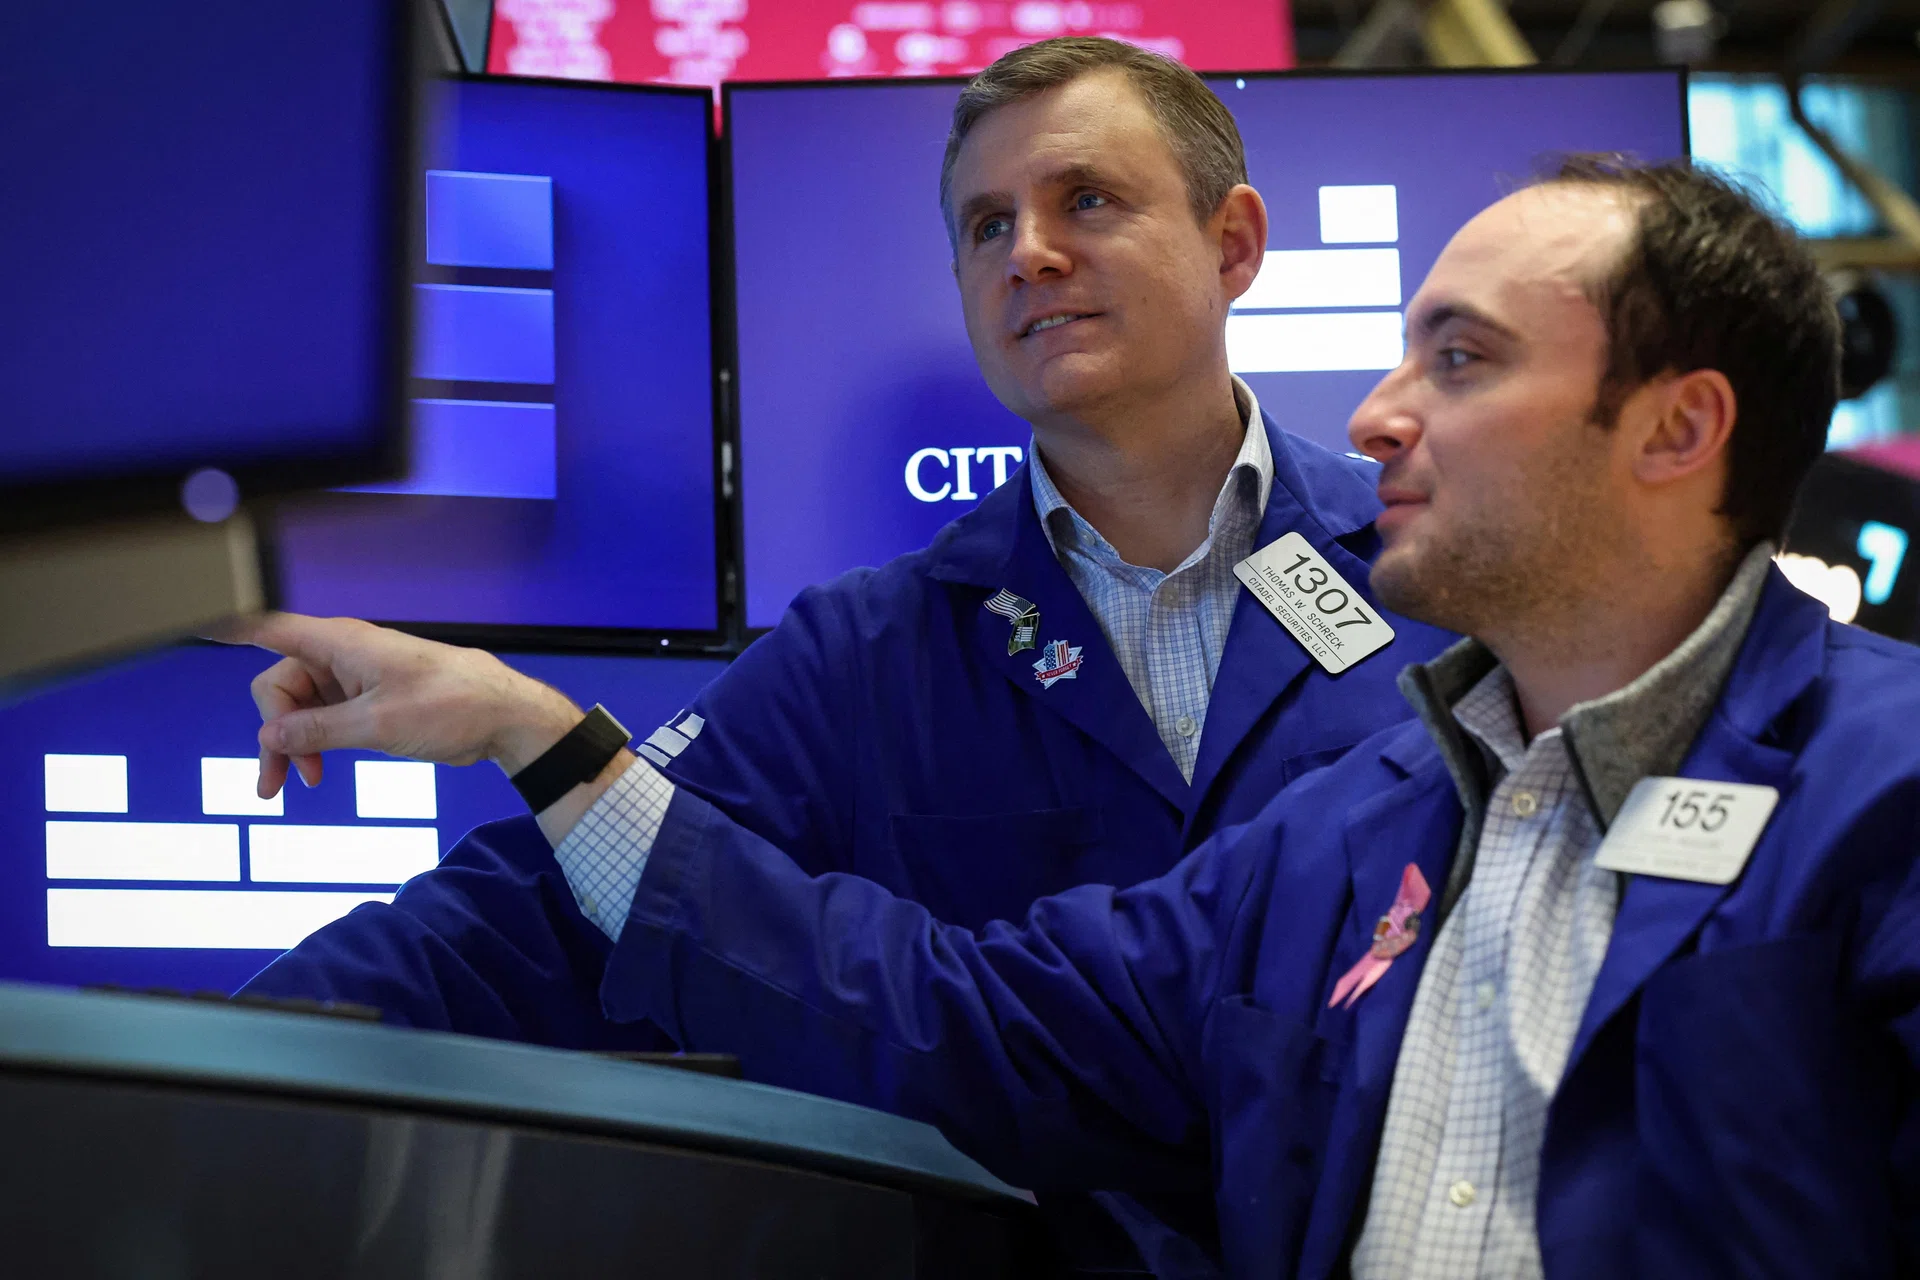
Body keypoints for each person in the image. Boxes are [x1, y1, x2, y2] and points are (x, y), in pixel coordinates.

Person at [252, 155, 1920, 1275]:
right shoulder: (1354, 838)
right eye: (984, 222)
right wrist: (543, 741)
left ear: (1677, 429)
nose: (1381, 412)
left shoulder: (1883, 788)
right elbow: (960, 1020)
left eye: (1464, 362)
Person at [233, 37, 1452, 1278]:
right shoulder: (871, 650)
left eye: (1086, 199)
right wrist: (180, 1066)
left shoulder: (1442, 574)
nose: (1028, 252)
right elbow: (531, 920)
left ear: (1233, 243)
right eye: (986, 224)